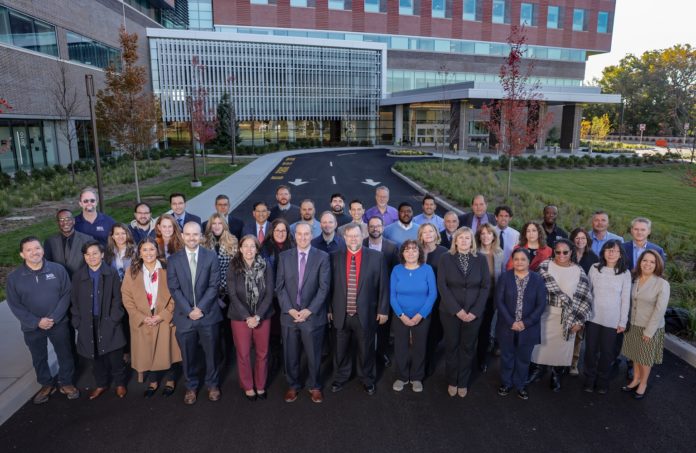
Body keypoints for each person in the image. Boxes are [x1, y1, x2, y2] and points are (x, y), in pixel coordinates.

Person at [6, 237, 80, 404]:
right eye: (29, 250)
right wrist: (36, 322)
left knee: (65, 353)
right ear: (22, 254)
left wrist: (54, 317)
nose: (34, 252)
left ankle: (66, 382)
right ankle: (46, 384)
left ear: (43, 250)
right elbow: (15, 304)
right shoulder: (14, 278)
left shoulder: (58, 269)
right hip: (32, 326)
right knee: (39, 357)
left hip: (58, 323)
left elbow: (66, 293)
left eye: (37, 248)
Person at [329, 223, 389, 395]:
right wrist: (329, 309)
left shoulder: (377, 257)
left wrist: (383, 310)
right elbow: (329, 286)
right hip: (341, 312)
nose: (353, 239)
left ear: (362, 236)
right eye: (349, 236)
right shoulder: (334, 257)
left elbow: (383, 286)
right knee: (340, 349)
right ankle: (341, 377)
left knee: (366, 349)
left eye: (356, 235)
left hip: (366, 312)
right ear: (344, 238)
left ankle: (367, 379)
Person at [167, 222, 223, 405]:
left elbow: (214, 285)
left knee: (211, 353)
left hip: (208, 315)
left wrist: (201, 309)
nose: (192, 238)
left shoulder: (211, 256)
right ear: (182, 236)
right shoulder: (173, 260)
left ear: (201, 236)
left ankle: (212, 384)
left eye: (195, 234)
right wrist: (189, 310)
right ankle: (191, 386)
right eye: (188, 234)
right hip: (185, 317)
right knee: (188, 355)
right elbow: (174, 288)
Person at [275, 222, 331, 403]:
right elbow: (279, 287)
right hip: (289, 315)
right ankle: (293, 385)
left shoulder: (322, 257)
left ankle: (315, 386)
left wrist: (309, 310)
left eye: (306, 234)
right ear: (294, 236)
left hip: (312, 316)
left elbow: (324, 288)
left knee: (314, 354)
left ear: (311, 235)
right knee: (291, 353)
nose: (303, 237)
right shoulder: (284, 257)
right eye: (299, 234)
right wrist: (290, 310)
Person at [528, 239, 592, 392]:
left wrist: (579, 321)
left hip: (568, 316)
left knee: (562, 349)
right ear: (553, 252)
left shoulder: (578, 271)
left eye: (565, 252)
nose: (561, 255)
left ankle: (556, 375)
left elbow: (585, 297)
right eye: (558, 252)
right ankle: (538, 370)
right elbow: (533, 290)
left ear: (571, 252)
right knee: (540, 346)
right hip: (545, 313)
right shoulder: (544, 266)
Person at [121, 237, 182, 398]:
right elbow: (126, 297)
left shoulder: (168, 268)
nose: (148, 253)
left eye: (152, 249)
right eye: (145, 250)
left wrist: (163, 315)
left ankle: (170, 380)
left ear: (157, 251)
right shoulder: (132, 271)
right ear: (139, 253)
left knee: (168, 350)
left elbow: (176, 293)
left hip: (164, 315)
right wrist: (140, 317)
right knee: (147, 350)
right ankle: (153, 381)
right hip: (143, 317)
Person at [437, 227, 490, 397]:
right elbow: (442, 286)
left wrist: (475, 311)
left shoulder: (481, 259)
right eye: (461, 238)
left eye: (467, 238)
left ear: (472, 241)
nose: (464, 241)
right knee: (452, 346)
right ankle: (452, 380)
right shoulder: (445, 258)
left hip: (474, 312)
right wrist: (457, 310)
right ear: (455, 240)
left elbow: (485, 286)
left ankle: (463, 381)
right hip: (450, 312)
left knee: (468, 347)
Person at [70, 241, 127, 399]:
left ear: (102, 255)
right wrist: (77, 322)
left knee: (115, 355)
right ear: (84, 257)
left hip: (108, 320)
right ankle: (101, 384)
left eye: (95, 253)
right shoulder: (78, 276)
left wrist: (114, 318)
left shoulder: (111, 273)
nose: (91, 257)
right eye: (87, 254)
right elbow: (74, 301)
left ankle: (120, 383)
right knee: (95, 356)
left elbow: (117, 298)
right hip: (87, 322)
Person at [227, 235, 274, 401]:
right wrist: (247, 317)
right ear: (240, 249)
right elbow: (232, 294)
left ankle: (260, 385)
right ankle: (248, 386)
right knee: (243, 353)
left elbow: (269, 293)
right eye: (245, 246)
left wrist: (258, 316)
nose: (249, 249)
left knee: (263, 353)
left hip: (263, 315)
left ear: (257, 249)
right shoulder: (233, 265)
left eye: (252, 246)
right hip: (240, 316)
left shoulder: (266, 265)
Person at [495, 248, 547, 400]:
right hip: (507, 326)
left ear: (529, 261)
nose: (519, 262)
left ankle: (520, 385)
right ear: (512, 261)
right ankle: (506, 383)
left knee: (524, 358)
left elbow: (541, 305)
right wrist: (511, 322)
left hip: (528, 327)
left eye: (523, 259)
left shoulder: (537, 279)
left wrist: (525, 323)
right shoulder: (505, 277)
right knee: (507, 356)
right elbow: (499, 301)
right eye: (516, 259)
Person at [620, 250, 670, 399]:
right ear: (640, 262)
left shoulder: (662, 284)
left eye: (652, 262)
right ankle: (636, 379)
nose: (648, 264)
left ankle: (643, 383)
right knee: (635, 355)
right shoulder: (634, 279)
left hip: (649, 327)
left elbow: (659, 310)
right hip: (633, 324)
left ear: (657, 264)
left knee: (645, 358)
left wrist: (649, 331)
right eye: (645, 260)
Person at [583, 240, 631, 394]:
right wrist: (584, 314)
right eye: (609, 250)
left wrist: (623, 321)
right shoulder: (595, 268)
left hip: (612, 320)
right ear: (603, 252)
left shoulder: (625, 273)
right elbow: (587, 292)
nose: (611, 253)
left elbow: (625, 299)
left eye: (615, 251)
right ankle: (589, 380)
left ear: (620, 254)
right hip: (593, 317)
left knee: (607, 353)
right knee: (590, 351)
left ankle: (602, 381)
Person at [390, 240, 437, 393]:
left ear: (419, 253)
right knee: (400, 347)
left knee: (419, 347)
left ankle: (417, 377)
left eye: (414, 250)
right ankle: (402, 376)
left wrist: (421, 315)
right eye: (407, 250)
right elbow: (392, 296)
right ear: (402, 253)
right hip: (400, 315)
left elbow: (433, 294)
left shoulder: (427, 269)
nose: (411, 252)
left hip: (422, 316)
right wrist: (401, 315)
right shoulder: (396, 270)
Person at [364, 215, 399, 367]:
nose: (375, 229)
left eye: (378, 226)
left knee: (384, 327)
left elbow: (396, 272)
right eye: (372, 226)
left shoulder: (392, 247)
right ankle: (367, 354)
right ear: (367, 228)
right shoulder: (361, 244)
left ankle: (382, 353)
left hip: (385, 293)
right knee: (366, 327)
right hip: (365, 294)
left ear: (383, 227)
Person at [417, 222, 448, 376]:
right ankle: (418, 365)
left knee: (434, 333)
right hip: (418, 299)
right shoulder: (415, 251)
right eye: (425, 232)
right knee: (419, 333)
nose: (428, 234)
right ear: (420, 235)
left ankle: (428, 365)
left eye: (431, 231)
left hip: (437, 300)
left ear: (436, 233)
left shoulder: (444, 252)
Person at [568, 227, 599, 376]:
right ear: (572, 240)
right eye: (577, 238)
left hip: (582, 299)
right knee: (563, 331)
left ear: (587, 240)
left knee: (578, 334)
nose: (580, 241)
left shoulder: (593, 258)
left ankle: (573, 363)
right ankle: (560, 360)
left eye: (583, 238)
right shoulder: (567, 253)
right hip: (567, 296)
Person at [475, 223, 505, 372]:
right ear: (479, 236)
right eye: (483, 233)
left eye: (489, 233)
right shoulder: (474, 253)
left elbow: (502, 276)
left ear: (494, 236)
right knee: (474, 329)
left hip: (491, 299)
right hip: (475, 299)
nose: (486, 236)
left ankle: (481, 360)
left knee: (486, 330)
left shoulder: (499, 253)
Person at [43, 208, 93, 278]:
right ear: (57, 223)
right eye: (61, 220)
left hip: (82, 280)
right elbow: (47, 265)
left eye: (68, 219)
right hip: (59, 281)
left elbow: (92, 263)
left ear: (73, 221)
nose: (65, 222)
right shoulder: (50, 242)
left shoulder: (87, 239)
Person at [202, 213, 239, 299]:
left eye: (220, 223)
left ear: (224, 225)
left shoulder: (233, 241)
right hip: (208, 287)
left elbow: (236, 266)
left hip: (228, 287)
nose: (217, 226)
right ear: (210, 226)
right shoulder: (203, 242)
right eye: (214, 223)